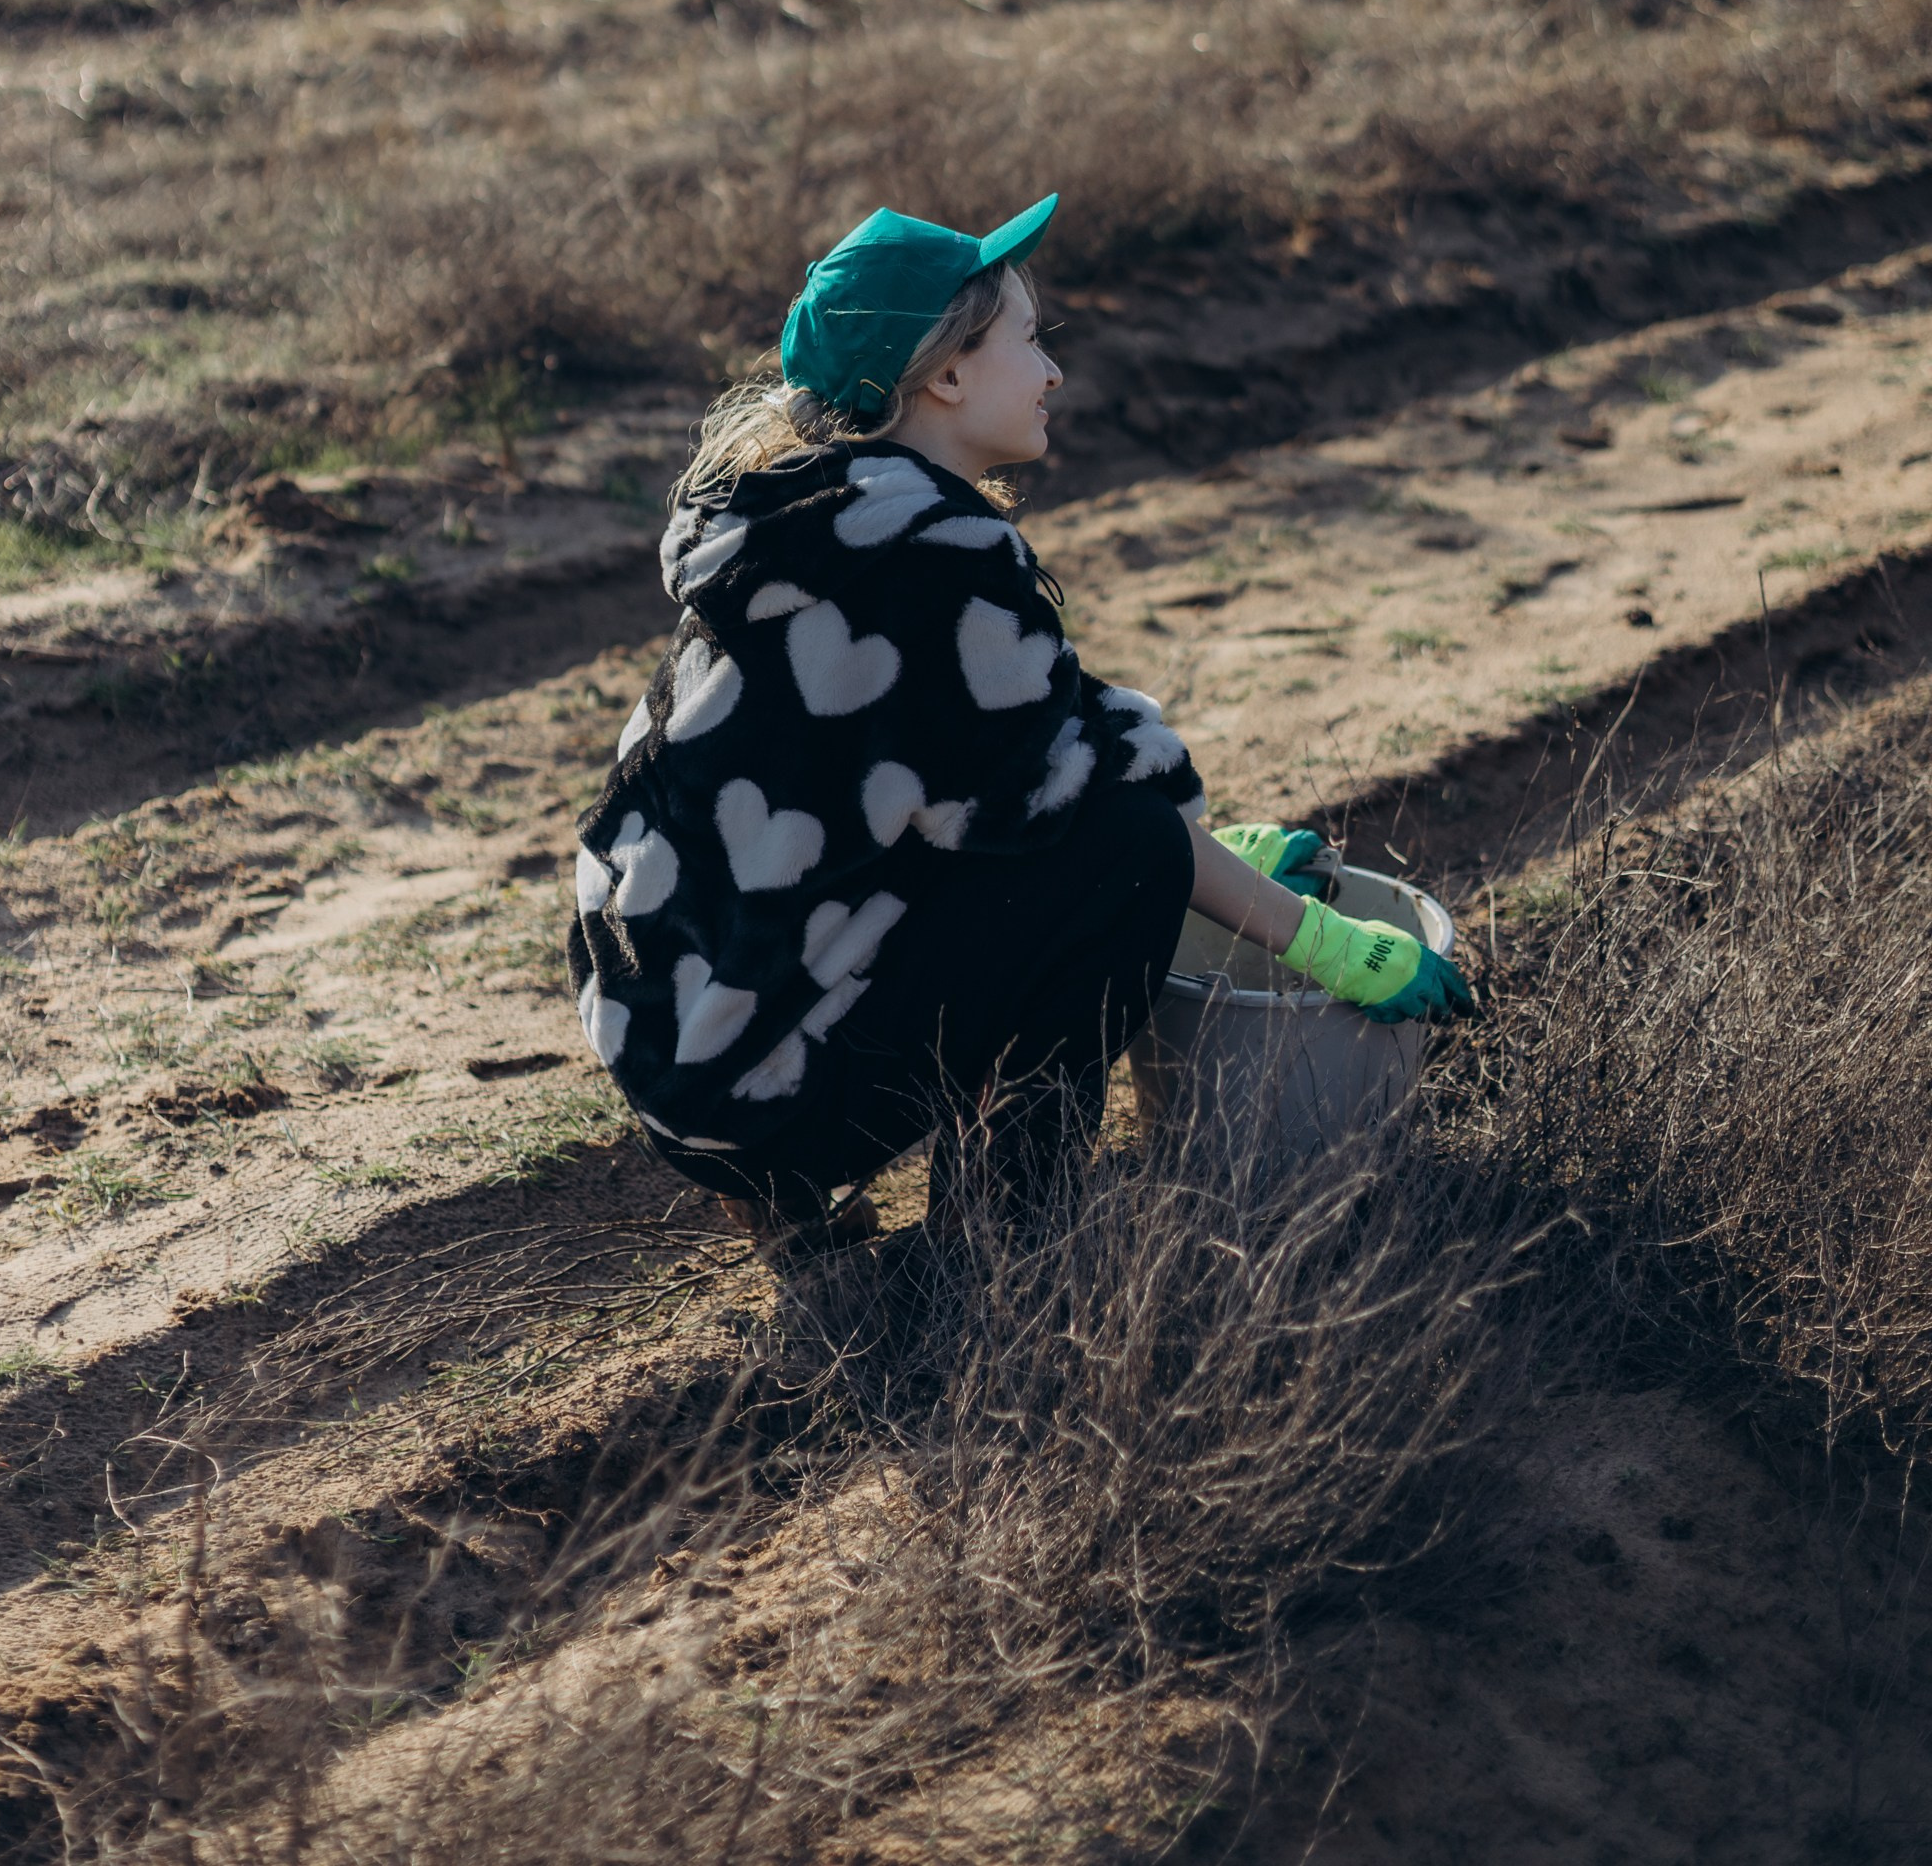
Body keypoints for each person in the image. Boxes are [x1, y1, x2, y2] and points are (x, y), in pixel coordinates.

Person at [565, 194, 1471, 1249]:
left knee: (1103, 841)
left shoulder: (798, 528)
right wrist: (1316, 939)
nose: (1050, 374)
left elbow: (1007, 754)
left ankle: (774, 1197)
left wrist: (1218, 858)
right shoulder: (935, 558)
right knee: (1123, 863)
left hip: (675, 1042)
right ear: (944, 377)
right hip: (762, 1089)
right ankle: (1001, 1243)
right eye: (1029, 343)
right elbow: (1081, 803)